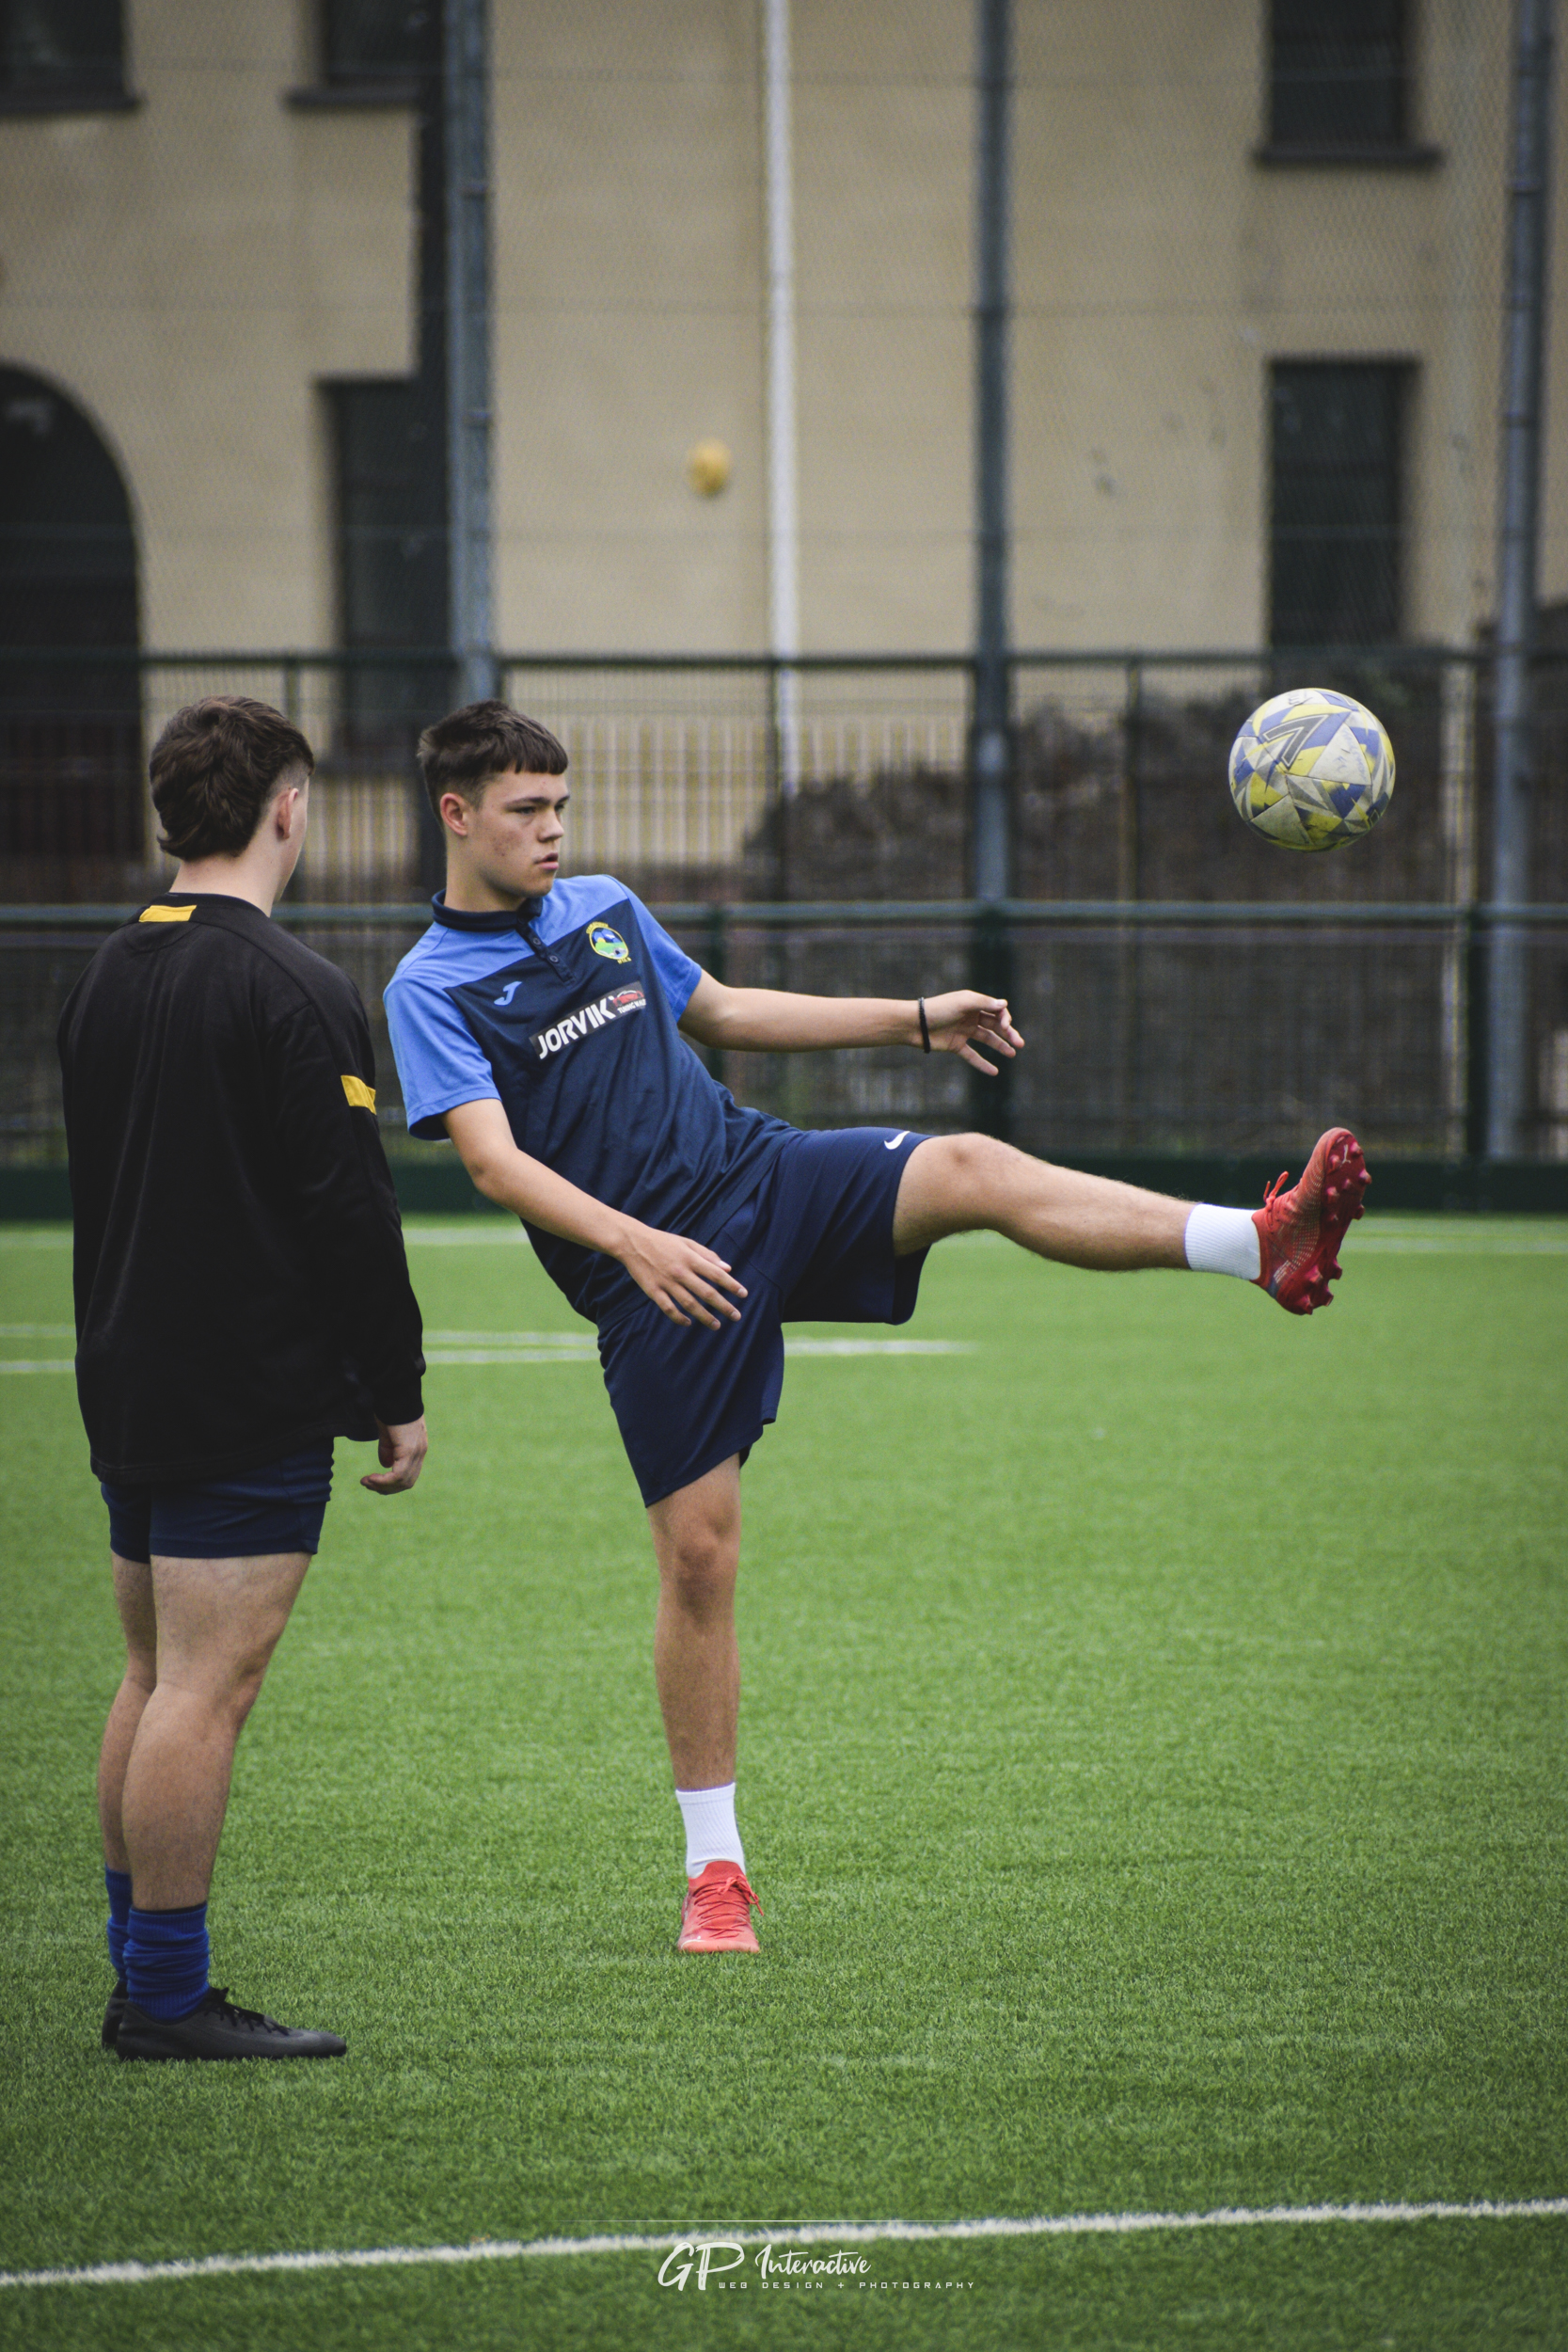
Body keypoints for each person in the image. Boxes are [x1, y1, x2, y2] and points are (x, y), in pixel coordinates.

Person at [384, 700, 1368, 1955]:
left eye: (562, 808)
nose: (553, 834)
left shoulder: (607, 909)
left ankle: (1258, 1245)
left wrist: (917, 1016)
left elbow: (727, 1013)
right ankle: (715, 1872)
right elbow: (492, 1166)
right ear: (456, 815)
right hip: (657, 1274)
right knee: (700, 1559)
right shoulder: (431, 988)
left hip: (763, 1176)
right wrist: (633, 1243)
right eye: (527, 812)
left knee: (971, 1166)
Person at [58, 695, 428, 2060]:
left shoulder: (100, 974)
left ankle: (137, 1971)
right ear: (287, 807)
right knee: (204, 1690)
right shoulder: (296, 986)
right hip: (241, 1389)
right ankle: (161, 1998)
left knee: (156, 1674)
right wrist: (397, 1386)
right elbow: (347, 1211)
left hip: (129, 1378)